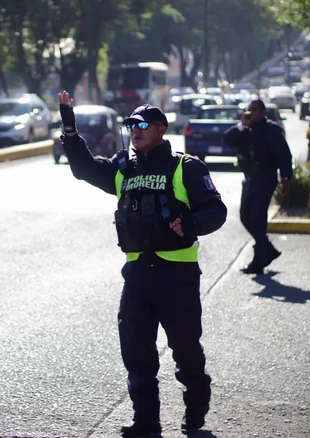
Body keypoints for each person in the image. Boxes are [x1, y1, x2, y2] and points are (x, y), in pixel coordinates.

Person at [58, 91, 227, 436]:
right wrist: (70, 129)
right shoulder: (122, 169)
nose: (134, 129)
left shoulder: (186, 168)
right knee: (136, 351)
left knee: (185, 349)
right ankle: (145, 421)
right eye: (130, 124)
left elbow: (216, 210)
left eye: (142, 124)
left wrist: (192, 224)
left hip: (176, 276)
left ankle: (195, 413)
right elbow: (84, 169)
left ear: (161, 129)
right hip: (136, 275)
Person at [222, 99, 292, 275]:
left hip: (266, 178)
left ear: (262, 112)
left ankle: (258, 260)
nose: (250, 113)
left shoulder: (272, 130)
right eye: (248, 110)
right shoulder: (245, 130)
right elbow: (227, 139)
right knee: (245, 215)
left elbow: (284, 155)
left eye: (254, 110)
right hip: (250, 179)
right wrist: (241, 125)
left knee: (257, 217)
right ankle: (267, 249)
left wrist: (286, 177)